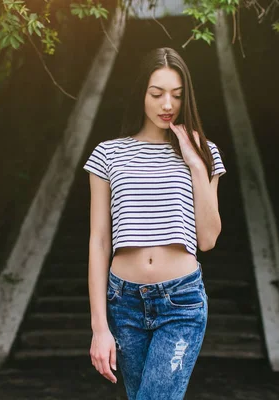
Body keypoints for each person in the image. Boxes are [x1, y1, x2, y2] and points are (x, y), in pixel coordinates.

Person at [82, 47, 226, 399]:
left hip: (181, 302)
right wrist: (99, 327)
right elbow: (99, 241)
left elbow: (207, 239)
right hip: (124, 303)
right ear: (141, 94)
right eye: (157, 93)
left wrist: (194, 162)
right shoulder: (108, 154)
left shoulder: (205, 153)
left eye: (177, 96)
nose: (167, 105)